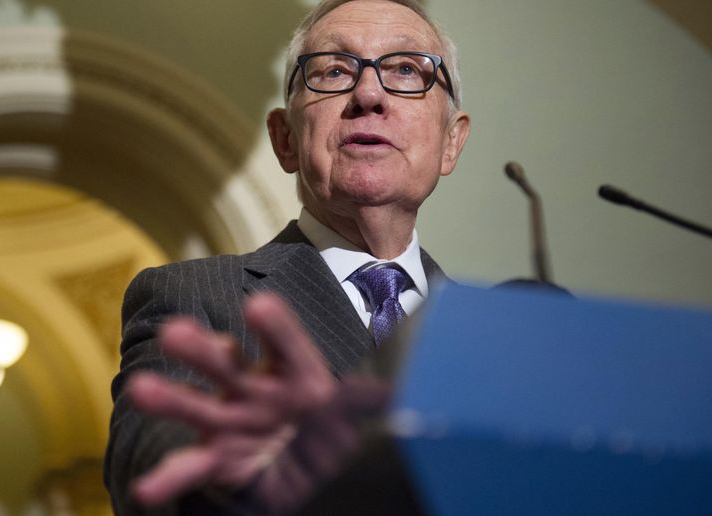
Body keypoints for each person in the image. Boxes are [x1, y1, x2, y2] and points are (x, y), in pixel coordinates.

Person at [104, 0, 471, 513]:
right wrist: (247, 470)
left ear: (452, 142)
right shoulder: (192, 297)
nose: (368, 94)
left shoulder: (490, 336)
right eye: (334, 71)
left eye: (406, 70)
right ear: (285, 140)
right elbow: (150, 462)